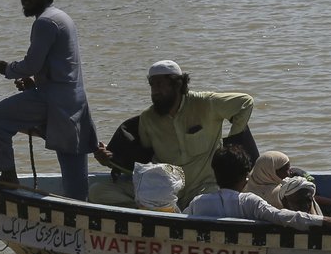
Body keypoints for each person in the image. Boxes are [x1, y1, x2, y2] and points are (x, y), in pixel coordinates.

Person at [0, 0, 97, 200]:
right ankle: (82, 216)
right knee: (75, 184)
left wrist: (9, 69)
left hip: (53, 101)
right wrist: (35, 83)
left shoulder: (45, 23)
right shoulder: (62, 17)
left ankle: (8, 177)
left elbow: (31, 64)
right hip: (72, 103)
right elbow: (59, 67)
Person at [91, 60, 256, 209]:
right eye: (152, 85)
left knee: (207, 205)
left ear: (177, 85)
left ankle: (164, 212)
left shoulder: (206, 103)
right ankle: (164, 211)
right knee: (97, 191)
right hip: (165, 188)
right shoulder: (148, 118)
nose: (155, 91)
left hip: (203, 187)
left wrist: (232, 145)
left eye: (160, 84)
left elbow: (245, 102)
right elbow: (144, 161)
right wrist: (111, 160)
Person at [184, 147, 331, 232]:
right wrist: (324, 220)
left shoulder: (198, 203)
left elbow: (178, 217)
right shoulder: (249, 202)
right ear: (245, 177)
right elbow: (282, 216)